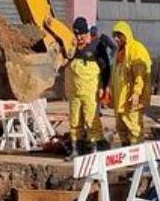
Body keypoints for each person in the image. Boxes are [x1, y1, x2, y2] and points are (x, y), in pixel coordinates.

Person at [65, 17, 105, 157]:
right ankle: (76, 149)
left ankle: (96, 149)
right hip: (75, 93)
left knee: (91, 119)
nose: (79, 38)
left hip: (90, 92)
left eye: (82, 35)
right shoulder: (73, 50)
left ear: (87, 33)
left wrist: (103, 87)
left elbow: (105, 69)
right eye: (76, 35)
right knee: (74, 121)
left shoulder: (96, 47)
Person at [110, 21, 152, 146]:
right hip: (121, 99)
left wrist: (136, 93)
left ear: (126, 35)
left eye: (119, 36)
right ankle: (126, 151)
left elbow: (140, 75)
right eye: (115, 36)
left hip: (132, 99)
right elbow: (116, 75)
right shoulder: (120, 52)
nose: (116, 39)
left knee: (134, 127)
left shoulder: (136, 50)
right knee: (121, 127)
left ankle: (137, 154)